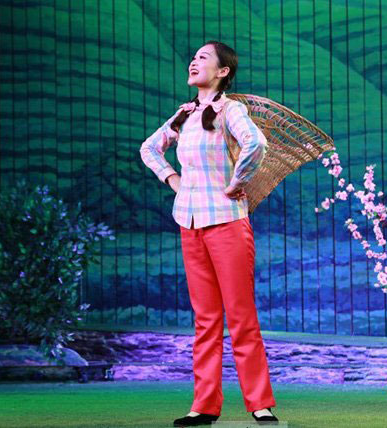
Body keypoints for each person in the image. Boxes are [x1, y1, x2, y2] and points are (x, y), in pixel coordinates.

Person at [140, 41, 278, 427]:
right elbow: (149, 148)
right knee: (205, 320)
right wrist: (172, 178)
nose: (193, 61)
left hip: (227, 223)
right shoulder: (184, 114)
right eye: (193, 57)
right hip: (190, 224)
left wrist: (238, 181)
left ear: (222, 71)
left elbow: (256, 143)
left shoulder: (230, 109)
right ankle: (204, 405)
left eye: (203, 57)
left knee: (241, 317)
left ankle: (260, 404)